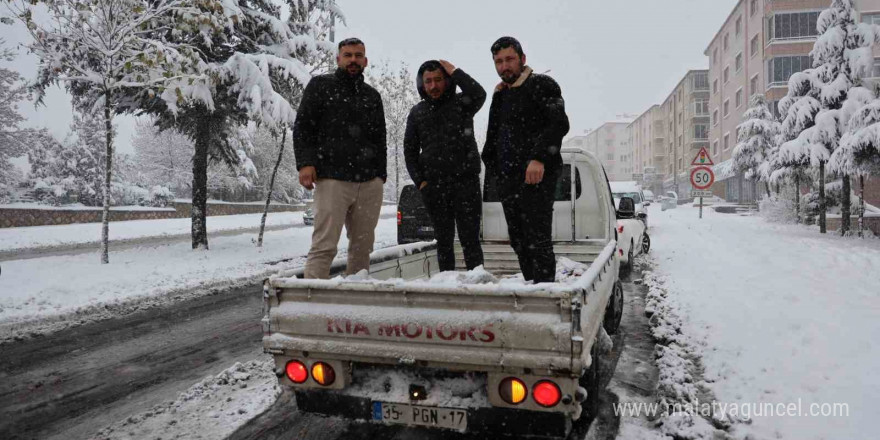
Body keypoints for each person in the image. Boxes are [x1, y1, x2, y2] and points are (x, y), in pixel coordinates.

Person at [293, 37, 386, 279]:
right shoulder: (320, 86)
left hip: (369, 183)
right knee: (324, 246)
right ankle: (313, 305)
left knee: (362, 248)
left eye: (358, 55)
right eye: (348, 55)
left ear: (365, 60)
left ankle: (355, 306)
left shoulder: (372, 96)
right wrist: (305, 163)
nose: (353, 60)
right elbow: (303, 127)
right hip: (332, 179)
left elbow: (380, 138)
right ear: (338, 59)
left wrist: (380, 175)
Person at [481, 36, 570, 283]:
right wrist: (494, 168)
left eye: (509, 59)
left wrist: (538, 158)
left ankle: (545, 296)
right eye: (498, 61)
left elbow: (558, 123)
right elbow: (493, 136)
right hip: (508, 179)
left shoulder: (542, 84)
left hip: (538, 176)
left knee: (537, 239)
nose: (504, 66)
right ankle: (533, 287)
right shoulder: (500, 95)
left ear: (522, 59)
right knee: (518, 239)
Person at [404, 59, 487, 272]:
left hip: (466, 184)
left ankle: (477, 288)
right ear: (422, 84)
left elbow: (480, 93)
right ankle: (447, 289)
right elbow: (410, 152)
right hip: (434, 187)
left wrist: (455, 71)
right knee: (443, 242)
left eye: (439, 79)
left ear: (447, 81)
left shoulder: (463, 103)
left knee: (471, 241)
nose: (433, 86)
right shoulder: (417, 112)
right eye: (428, 81)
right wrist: (421, 182)